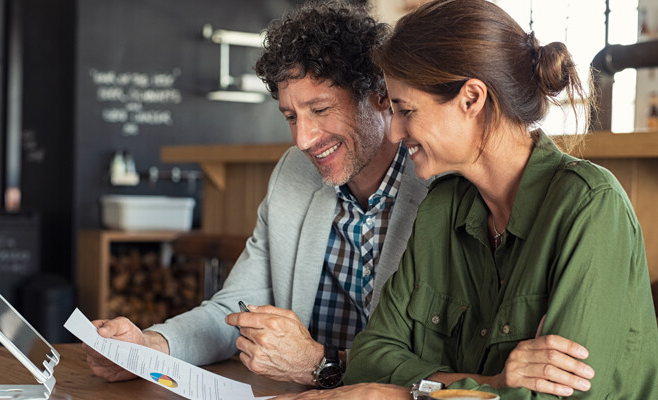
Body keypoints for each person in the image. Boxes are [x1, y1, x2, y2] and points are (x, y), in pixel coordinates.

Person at [83, 1, 431, 388]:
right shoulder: (292, 174)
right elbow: (234, 310)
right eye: (291, 116)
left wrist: (322, 363)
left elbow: (441, 361)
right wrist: (149, 345)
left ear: (380, 95)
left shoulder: (439, 187)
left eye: (320, 109)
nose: (303, 139)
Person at [329, 0, 658, 399]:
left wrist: (402, 392)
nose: (395, 132)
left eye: (406, 110)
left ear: (471, 99)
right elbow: (367, 359)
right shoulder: (440, 207)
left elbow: (556, 397)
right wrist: (490, 386)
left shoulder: (590, 207)